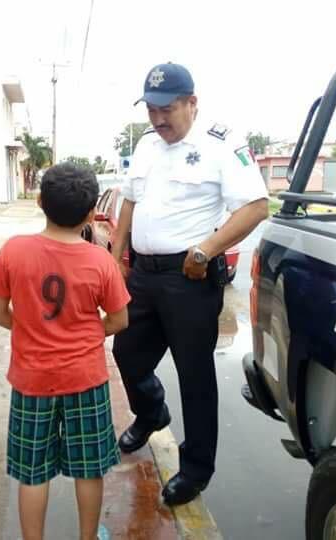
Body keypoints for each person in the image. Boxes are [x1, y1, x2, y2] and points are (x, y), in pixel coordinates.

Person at [111, 63, 269, 506]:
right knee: (127, 353)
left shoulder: (222, 143)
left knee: (195, 375)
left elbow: (255, 207)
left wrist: (204, 251)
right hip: (143, 274)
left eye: (167, 110)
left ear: (192, 103)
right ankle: (151, 411)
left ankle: (197, 467)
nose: (158, 120)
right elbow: (130, 199)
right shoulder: (145, 145)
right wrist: (116, 256)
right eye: (152, 110)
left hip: (189, 278)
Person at [0, 163, 131, 540]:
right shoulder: (101, 261)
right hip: (85, 379)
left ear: (39, 202)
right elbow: (118, 321)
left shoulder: (14, 251)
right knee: (88, 468)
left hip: (31, 380)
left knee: (32, 471)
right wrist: (83, 334)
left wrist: (31, 328)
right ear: (88, 214)